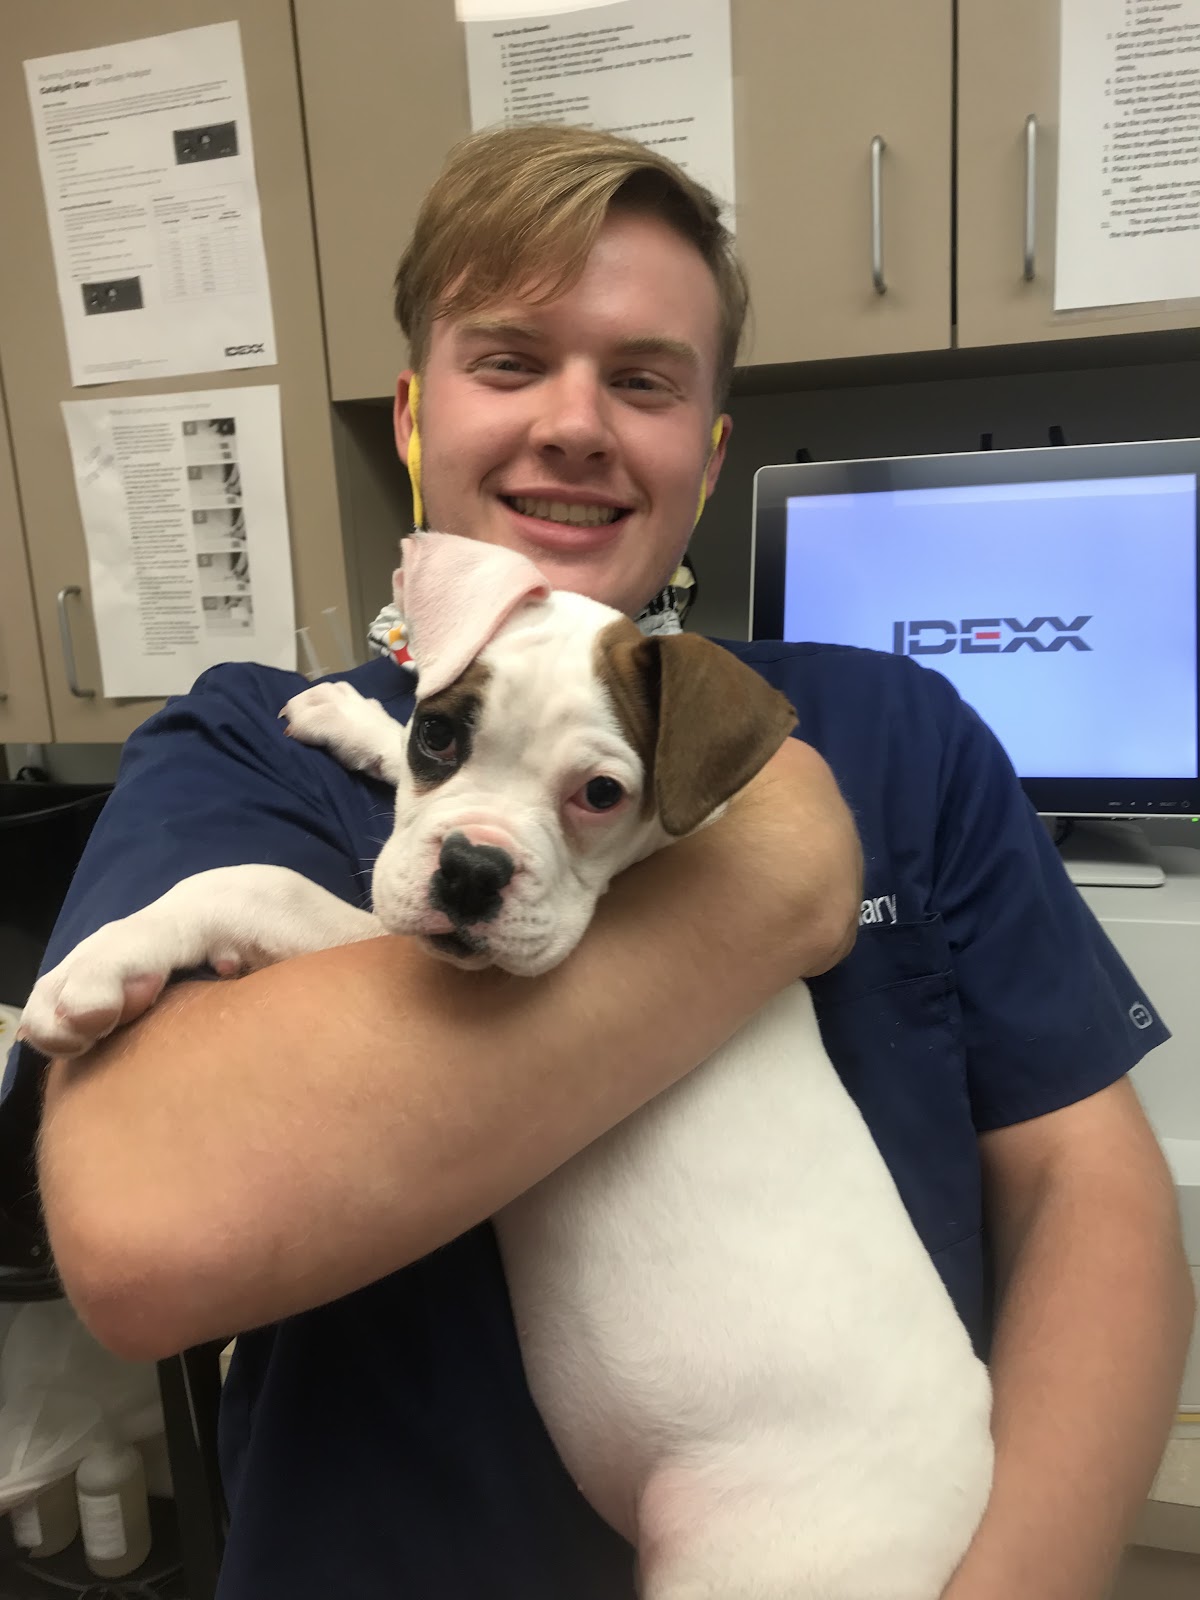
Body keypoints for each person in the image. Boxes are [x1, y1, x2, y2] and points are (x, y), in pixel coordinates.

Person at [5, 124, 1193, 1600]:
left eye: (642, 378)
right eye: (509, 359)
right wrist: (774, 885)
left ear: (708, 449)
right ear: (412, 414)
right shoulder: (259, 741)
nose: (575, 421)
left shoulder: (893, 731)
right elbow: (136, 1243)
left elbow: (1093, 1187)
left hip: (831, 1503)